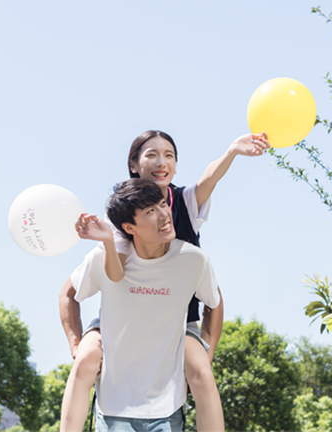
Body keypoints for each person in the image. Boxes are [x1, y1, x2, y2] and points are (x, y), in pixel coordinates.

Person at [59, 130, 270, 430]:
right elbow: (114, 275)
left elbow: (209, 178)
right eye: (152, 155)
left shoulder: (184, 202)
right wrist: (76, 343)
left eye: (169, 155)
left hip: (179, 319)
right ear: (133, 164)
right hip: (123, 320)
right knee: (85, 361)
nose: (162, 162)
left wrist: (232, 152)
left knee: (200, 371)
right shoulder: (121, 211)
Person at [67, 179, 221, 430]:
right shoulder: (103, 259)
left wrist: (207, 352)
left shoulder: (193, 260)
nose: (163, 215)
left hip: (167, 410)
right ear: (129, 226)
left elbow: (214, 302)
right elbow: (69, 294)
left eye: (163, 205)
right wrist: (76, 345)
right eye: (150, 211)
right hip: (115, 410)